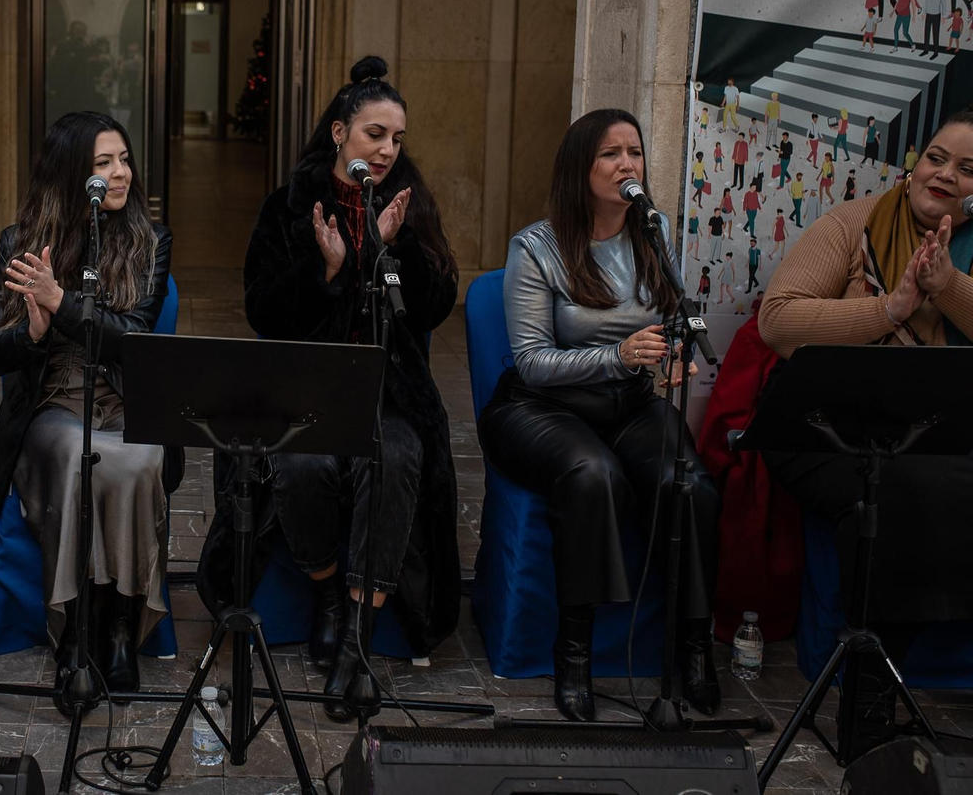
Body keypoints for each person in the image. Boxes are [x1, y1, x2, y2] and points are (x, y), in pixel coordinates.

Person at [479, 108, 721, 723]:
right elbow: (532, 361)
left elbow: (667, 317)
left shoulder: (653, 231)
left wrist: (669, 358)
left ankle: (693, 648)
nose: (627, 165)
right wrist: (617, 355)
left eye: (634, 153)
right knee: (594, 475)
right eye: (610, 155)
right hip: (542, 407)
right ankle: (575, 653)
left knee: (687, 484)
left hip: (631, 401)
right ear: (580, 169)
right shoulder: (537, 245)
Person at [242, 56, 461, 721]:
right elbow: (263, 312)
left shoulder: (406, 203)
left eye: (397, 138)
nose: (388, 150)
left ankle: (358, 643)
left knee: (394, 458)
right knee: (303, 465)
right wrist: (330, 272)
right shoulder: (289, 207)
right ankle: (329, 593)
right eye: (374, 134)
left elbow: (432, 307)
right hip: (306, 390)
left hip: (388, 393)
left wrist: (388, 254)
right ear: (340, 134)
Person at [758, 107, 973, 758]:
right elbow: (778, 321)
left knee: (937, 485)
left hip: (939, 433)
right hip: (823, 429)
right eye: (937, 156)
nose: (944, 174)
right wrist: (892, 308)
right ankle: (869, 704)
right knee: (903, 497)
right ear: (916, 159)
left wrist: (949, 284)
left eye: (967, 168)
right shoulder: (852, 225)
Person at [0, 110, 173, 697]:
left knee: (135, 462)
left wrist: (61, 303)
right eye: (103, 164)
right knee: (74, 455)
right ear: (70, 175)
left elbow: (135, 335)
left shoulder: (151, 240)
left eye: (124, 160)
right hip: (53, 406)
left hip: (127, 401)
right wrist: (33, 332)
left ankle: (119, 630)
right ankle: (76, 629)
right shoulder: (20, 241)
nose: (121, 174)